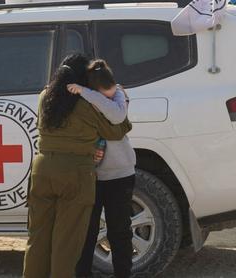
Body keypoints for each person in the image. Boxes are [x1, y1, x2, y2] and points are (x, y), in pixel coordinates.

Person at [23, 54, 132, 278]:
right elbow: (116, 129)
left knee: (38, 237)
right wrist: (121, 100)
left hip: (42, 169)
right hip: (74, 172)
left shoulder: (45, 95)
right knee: (67, 241)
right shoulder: (85, 103)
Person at [67, 59, 136, 278]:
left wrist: (88, 93)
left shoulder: (118, 95)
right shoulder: (85, 100)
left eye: (110, 92)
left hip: (120, 175)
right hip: (93, 175)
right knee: (87, 232)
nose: (108, 96)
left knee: (120, 232)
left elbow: (116, 115)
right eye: (102, 94)